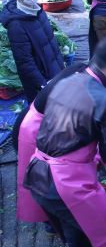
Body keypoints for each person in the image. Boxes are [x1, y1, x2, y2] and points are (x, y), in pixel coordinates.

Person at [24, 36, 106, 247]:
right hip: (67, 185)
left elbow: (68, 124)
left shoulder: (68, 80)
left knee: (77, 236)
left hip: (37, 174)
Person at [13, 63, 87, 225]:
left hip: (35, 123)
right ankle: (52, 222)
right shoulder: (82, 87)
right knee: (43, 181)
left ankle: (54, 220)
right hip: (31, 131)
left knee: (45, 180)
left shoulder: (80, 69)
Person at [1, 0, 65, 103]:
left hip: (55, 72)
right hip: (41, 83)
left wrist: (61, 66)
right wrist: (43, 85)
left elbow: (50, 42)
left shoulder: (38, 11)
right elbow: (25, 62)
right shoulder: (16, 24)